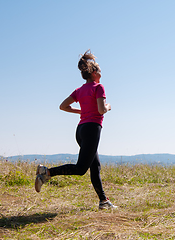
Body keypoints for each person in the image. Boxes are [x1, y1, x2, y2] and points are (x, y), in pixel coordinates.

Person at [34, 49, 117, 210]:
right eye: (99, 69)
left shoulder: (79, 90)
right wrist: (108, 106)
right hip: (92, 129)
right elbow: (101, 110)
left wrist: (82, 111)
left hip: (80, 130)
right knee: (81, 169)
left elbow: (63, 106)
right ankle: (46, 173)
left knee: (95, 166)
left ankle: (103, 201)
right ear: (94, 72)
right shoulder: (99, 87)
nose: (101, 72)